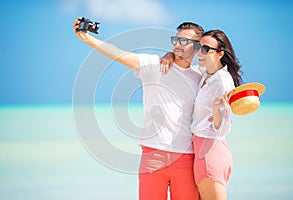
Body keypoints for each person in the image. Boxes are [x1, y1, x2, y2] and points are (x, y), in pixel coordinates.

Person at [73, 17, 204, 200]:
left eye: (184, 41)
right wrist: (87, 38)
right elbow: (118, 54)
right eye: (175, 40)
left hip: (187, 157)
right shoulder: (154, 65)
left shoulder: (200, 76)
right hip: (153, 155)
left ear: (197, 47)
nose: (177, 45)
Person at [160, 29, 243, 200]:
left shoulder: (222, 81)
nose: (199, 52)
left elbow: (223, 128)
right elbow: (183, 65)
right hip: (202, 150)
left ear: (220, 54)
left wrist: (216, 109)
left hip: (210, 151)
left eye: (206, 49)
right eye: (199, 47)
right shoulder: (205, 72)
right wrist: (169, 55)